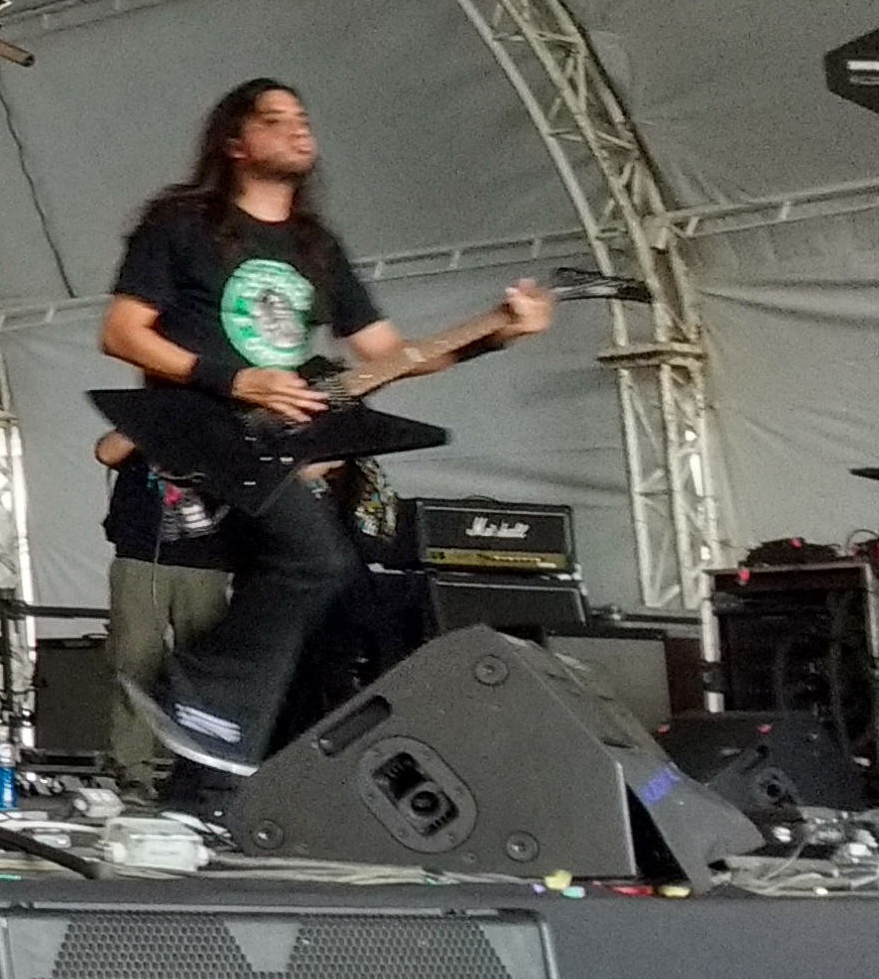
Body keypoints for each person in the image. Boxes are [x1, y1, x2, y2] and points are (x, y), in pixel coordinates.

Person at [102, 79, 549, 801]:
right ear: (235, 142)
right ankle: (190, 689)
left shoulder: (315, 247)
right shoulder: (180, 225)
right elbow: (122, 334)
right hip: (198, 427)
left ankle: (207, 786)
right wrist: (238, 379)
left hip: (274, 445)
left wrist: (498, 331)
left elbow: (390, 357)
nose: (298, 129)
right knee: (315, 559)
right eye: (275, 119)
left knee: (318, 586)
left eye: (302, 118)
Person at [92, 428, 231, 791]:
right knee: (135, 660)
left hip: (207, 561)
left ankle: (201, 768)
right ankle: (132, 768)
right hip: (141, 557)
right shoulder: (148, 418)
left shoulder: (225, 418)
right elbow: (107, 451)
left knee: (203, 669)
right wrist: (157, 417)